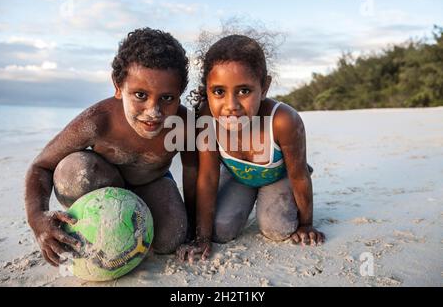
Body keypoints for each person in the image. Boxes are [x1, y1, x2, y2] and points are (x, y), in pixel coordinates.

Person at [25, 28, 197, 266]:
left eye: (167, 98)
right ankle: (93, 220)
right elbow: (40, 166)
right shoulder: (98, 121)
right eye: (140, 95)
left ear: (180, 94)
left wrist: (195, 230)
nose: (153, 111)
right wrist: (37, 218)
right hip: (101, 183)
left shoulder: (184, 125)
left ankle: (137, 213)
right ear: (118, 86)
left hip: (151, 183)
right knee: (73, 172)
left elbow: (192, 176)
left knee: (171, 239)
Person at [177, 34, 325, 263]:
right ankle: (247, 191)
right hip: (239, 177)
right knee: (220, 231)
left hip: (279, 175)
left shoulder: (283, 121)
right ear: (206, 89)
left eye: (244, 91)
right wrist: (202, 237)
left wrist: (307, 224)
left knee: (277, 229)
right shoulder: (206, 118)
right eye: (218, 92)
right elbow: (207, 176)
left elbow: (300, 177)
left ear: (264, 87)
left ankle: (280, 180)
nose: (231, 106)